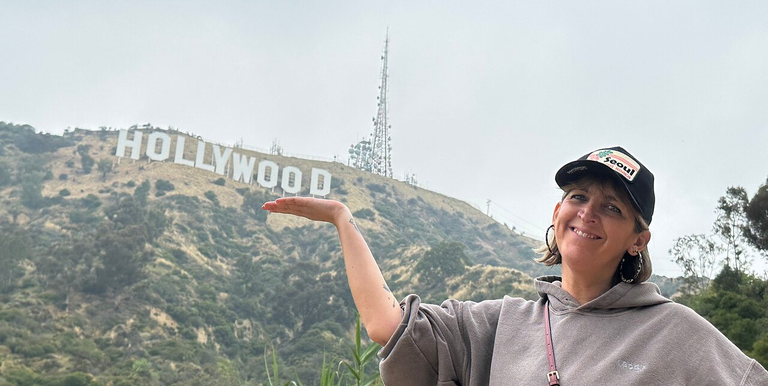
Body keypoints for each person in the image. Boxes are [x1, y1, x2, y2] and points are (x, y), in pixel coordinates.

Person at [262, 146, 768, 385]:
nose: (588, 213)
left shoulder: (676, 334)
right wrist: (344, 223)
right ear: (557, 212)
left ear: (639, 239)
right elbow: (387, 325)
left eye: (612, 207)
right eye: (578, 196)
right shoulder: (499, 325)